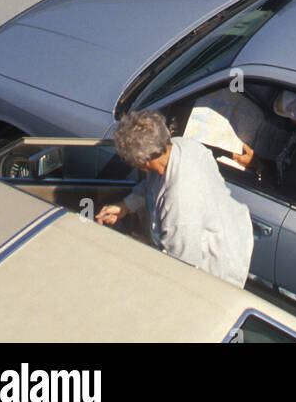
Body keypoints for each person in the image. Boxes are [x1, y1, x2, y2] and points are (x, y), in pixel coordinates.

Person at [95, 109, 254, 289]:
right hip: (224, 230)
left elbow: (180, 264)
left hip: (214, 267)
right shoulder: (178, 146)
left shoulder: (180, 201)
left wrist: (143, 248)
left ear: (141, 162)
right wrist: (125, 206)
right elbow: (150, 185)